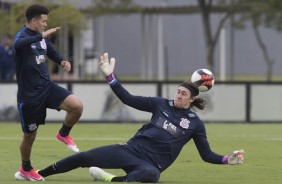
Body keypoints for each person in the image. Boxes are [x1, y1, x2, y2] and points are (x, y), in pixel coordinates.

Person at [29, 53, 245, 183]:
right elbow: (128, 98)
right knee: (82, 158)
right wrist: (110, 77)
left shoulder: (195, 124)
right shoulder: (160, 104)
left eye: (183, 94)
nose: (178, 95)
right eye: (178, 91)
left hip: (151, 164)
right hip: (129, 150)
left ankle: (111, 179)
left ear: (192, 100)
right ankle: (38, 173)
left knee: (152, 176)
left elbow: (206, 155)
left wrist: (227, 159)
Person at [13, 4, 83, 181]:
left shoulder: (41, 37)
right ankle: (26, 169)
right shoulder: (22, 37)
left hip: (47, 88)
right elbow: (18, 44)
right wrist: (40, 36)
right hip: (29, 97)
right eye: (43, 21)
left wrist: (62, 61)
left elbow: (49, 50)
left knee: (77, 106)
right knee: (30, 136)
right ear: (34, 21)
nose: (46, 24)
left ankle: (63, 134)